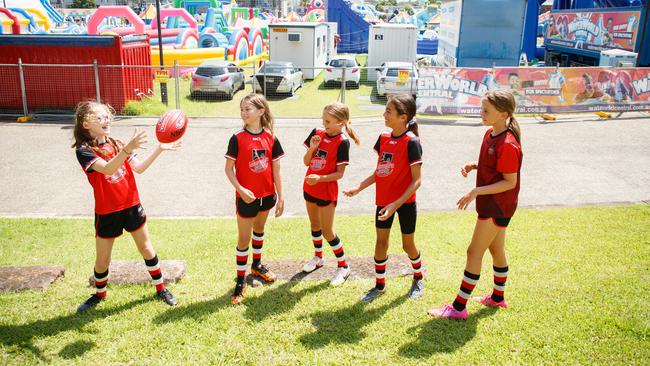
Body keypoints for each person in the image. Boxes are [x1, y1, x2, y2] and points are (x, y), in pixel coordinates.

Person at [72, 101, 180, 313]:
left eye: (106, 116)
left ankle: (160, 288)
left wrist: (160, 148)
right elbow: (109, 169)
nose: (106, 120)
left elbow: (138, 168)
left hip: (131, 205)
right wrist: (127, 149)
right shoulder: (84, 151)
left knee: (146, 248)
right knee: (103, 260)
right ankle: (99, 294)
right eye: (99, 117)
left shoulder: (118, 143)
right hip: (107, 211)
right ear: (86, 124)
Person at [428, 90, 522, 320]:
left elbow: (510, 182)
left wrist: (476, 191)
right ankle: (498, 298)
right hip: (495, 204)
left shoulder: (508, 143)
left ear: (503, 114)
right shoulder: (491, 134)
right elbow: (494, 165)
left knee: (474, 252)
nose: (481, 113)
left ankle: (458, 307)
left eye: (486, 111)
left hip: (496, 205)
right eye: (482, 109)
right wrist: (475, 165)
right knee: (496, 249)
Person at [344, 94, 425, 303]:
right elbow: (380, 171)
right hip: (383, 201)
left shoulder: (412, 142)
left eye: (389, 111)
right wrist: (359, 187)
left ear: (403, 117)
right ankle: (379, 286)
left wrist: (395, 204)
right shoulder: (383, 138)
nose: (384, 114)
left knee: (408, 246)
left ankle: (418, 275)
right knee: (381, 244)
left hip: (405, 203)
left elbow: (417, 181)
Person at [225, 93, 285, 305]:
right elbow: (228, 170)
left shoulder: (271, 137)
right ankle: (240, 283)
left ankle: (257, 266)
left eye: (247, 109)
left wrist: (281, 197)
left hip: (267, 195)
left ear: (261, 111)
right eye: (241, 109)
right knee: (244, 240)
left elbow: (276, 171)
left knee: (259, 231)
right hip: (246, 198)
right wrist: (241, 189)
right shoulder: (237, 138)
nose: (243, 113)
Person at [301, 102, 360, 286]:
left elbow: (339, 174)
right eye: (323, 119)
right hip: (309, 187)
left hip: (326, 191)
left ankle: (344, 266)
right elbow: (305, 162)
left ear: (340, 123)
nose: (324, 123)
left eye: (327, 121)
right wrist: (312, 148)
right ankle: (318, 258)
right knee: (315, 225)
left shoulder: (343, 142)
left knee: (328, 231)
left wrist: (319, 178)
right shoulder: (316, 133)